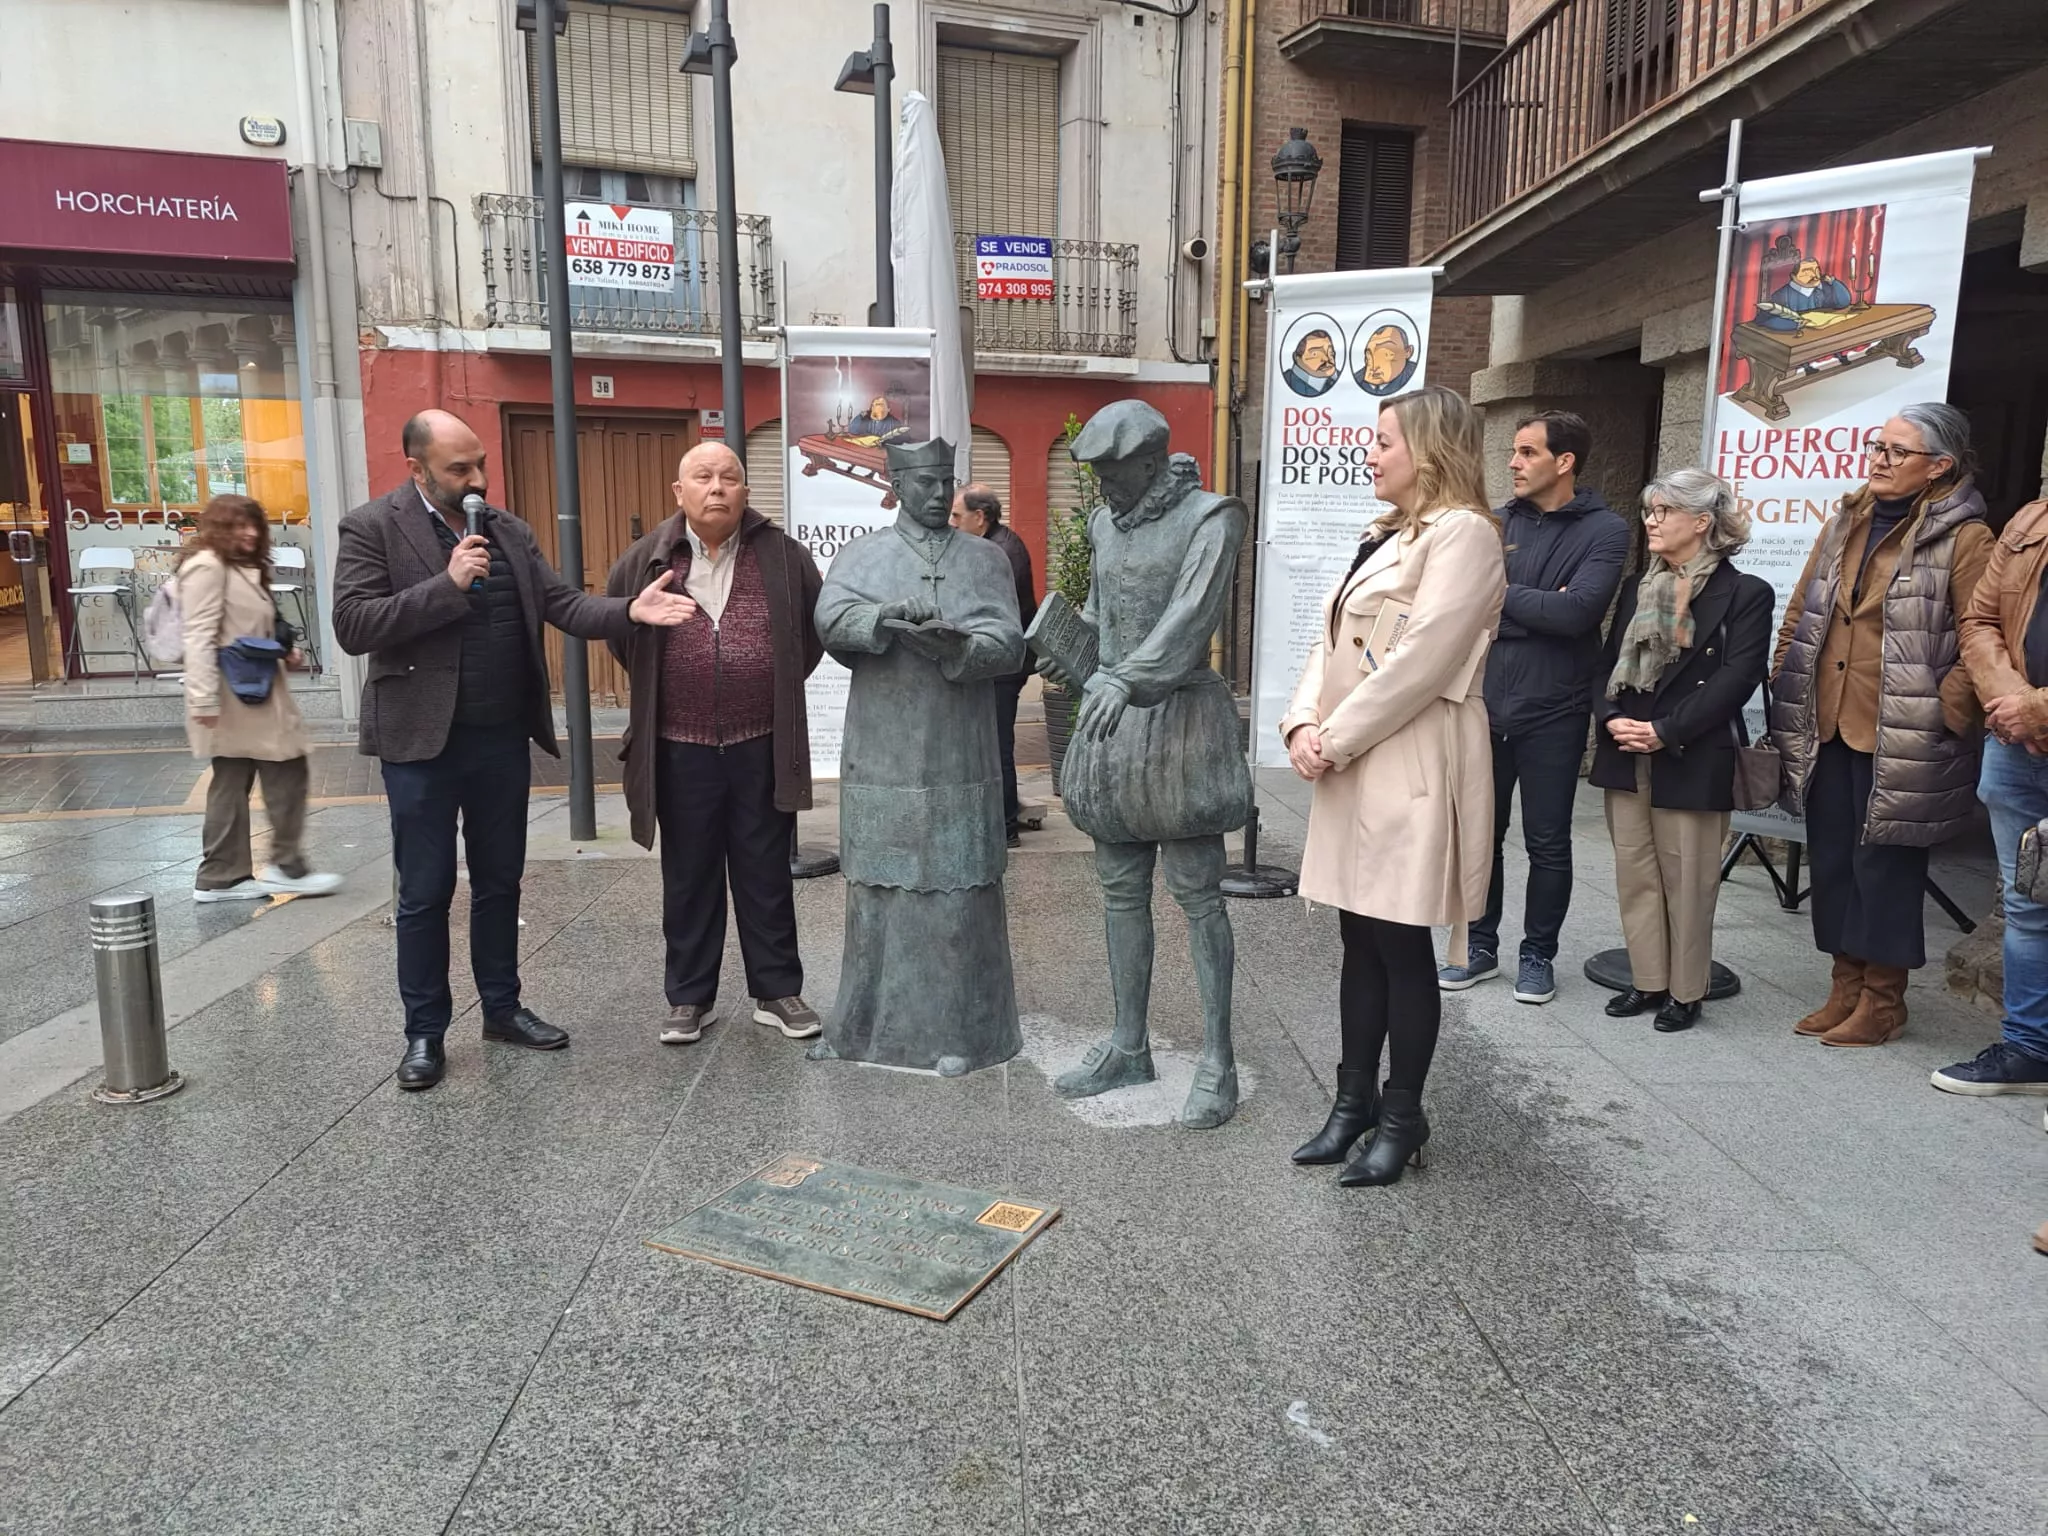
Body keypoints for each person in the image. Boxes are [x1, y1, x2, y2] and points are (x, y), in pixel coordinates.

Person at [333, 409, 696, 1091]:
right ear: (416, 469)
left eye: (480, 466)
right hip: (421, 745)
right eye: (458, 470)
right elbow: (354, 625)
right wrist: (447, 586)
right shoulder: (372, 527)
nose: (476, 481)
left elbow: (563, 605)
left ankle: (501, 1008)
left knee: (501, 883)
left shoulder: (508, 531)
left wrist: (629, 611)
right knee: (426, 891)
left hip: (500, 738)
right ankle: (424, 1033)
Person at [1281, 386, 1504, 1186]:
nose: (1370, 455)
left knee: (1402, 943)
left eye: (1383, 441)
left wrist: (1333, 738)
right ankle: (1352, 1105)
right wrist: (1302, 726)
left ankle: (1402, 1117)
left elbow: (1425, 661)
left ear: (1430, 449)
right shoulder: (1387, 535)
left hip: (1409, 756)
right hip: (1355, 758)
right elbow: (1329, 637)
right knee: (1359, 939)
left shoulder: (1466, 536)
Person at [1040, 401, 1250, 1130]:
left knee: (1198, 893)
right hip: (1114, 723)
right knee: (1120, 890)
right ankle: (1129, 1044)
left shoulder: (1211, 516)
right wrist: (1062, 639)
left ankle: (1218, 1061)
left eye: (1110, 471)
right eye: (1094, 474)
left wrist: (1127, 676)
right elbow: (1102, 615)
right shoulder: (1104, 525)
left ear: (1150, 461)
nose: (1100, 487)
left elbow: (1188, 622)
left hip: (1180, 719)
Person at [1768, 404, 1991, 1048]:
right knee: (1833, 856)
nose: (1880, 460)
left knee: (1886, 865)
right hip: (1829, 718)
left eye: (1898, 452)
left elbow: (1982, 635)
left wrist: (1946, 708)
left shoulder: (1967, 537)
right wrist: (1787, 674)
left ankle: (1884, 1000)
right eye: (1878, 447)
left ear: (1939, 467)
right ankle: (1844, 985)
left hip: (1904, 731)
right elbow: (1803, 609)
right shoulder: (1846, 519)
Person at [811, 437, 1026, 1076]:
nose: (937, 495)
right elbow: (830, 621)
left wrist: (958, 647)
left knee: (959, 891)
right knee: (875, 892)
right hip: (881, 746)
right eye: (924, 484)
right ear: (898, 487)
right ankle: (861, 1031)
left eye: (945, 483)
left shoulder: (985, 560)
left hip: (959, 745)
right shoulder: (863, 555)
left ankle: (966, 1031)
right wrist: (884, 619)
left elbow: (1010, 643)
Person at [607, 442, 826, 1049]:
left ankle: (777, 989)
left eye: (730, 476)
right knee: (688, 874)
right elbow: (624, 637)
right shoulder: (645, 560)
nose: (717, 487)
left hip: (761, 742)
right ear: (680, 492)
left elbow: (809, 639)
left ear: (745, 490)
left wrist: (758, 687)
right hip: (680, 746)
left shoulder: (784, 556)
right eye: (702, 477)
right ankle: (689, 997)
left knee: (765, 871)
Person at [1442, 410, 1629, 1004]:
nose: (1513, 462)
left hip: (1557, 708)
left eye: (1526, 452)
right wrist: (1539, 604)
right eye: (1514, 452)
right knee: (1480, 835)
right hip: (1485, 702)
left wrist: (1503, 599)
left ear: (1563, 461)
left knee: (1548, 840)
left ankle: (1537, 955)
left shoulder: (1608, 530)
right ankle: (1479, 944)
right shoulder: (1493, 523)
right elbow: (1464, 603)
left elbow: (1579, 614)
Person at [1590, 470, 1772, 1033]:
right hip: (1627, 746)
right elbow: (1605, 666)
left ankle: (1685, 992)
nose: (1650, 520)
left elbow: (1737, 678)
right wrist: (1612, 717)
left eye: (1663, 510)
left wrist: (1666, 730)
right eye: (1650, 510)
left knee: (1689, 878)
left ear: (1702, 522)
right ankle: (1646, 980)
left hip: (1688, 749)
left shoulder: (1745, 593)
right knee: (1636, 872)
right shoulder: (1638, 587)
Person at [179, 493, 342, 903]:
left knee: (234, 780)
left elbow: (245, 626)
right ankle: (280, 867)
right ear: (219, 528)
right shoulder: (208, 567)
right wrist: (202, 701)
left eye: (254, 524)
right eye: (238, 525)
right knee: (283, 767)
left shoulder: (237, 568)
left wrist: (282, 649)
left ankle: (224, 876)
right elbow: (197, 636)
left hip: (249, 690)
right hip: (232, 695)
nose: (250, 532)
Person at [1939, 487, 2048, 1094]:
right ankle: (2030, 1051)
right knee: (2028, 905)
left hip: (2027, 724)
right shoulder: (2033, 518)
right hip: (2014, 745)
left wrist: (2038, 710)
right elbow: (1979, 620)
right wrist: (2010, 701)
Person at [951, 481, 1039, 843]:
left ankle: (1005, 828)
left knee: (997, 742)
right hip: (1002, 660)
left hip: (1004, 665)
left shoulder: (1000, 553)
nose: (952, 523)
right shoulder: (995, 543)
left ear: (980, 517)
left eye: (958, 515)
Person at [1354, 323, 1417, 397]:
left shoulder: (1414, 376)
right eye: (1369, 357)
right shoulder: (1358, 379)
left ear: (1408, 352)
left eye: (1386, 354)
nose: (1374, 367)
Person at [1283, 330, 1339, 398]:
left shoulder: (1342, 377)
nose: (1326, 359)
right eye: (1315, 354)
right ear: (1297, 358)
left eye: (1330, 353)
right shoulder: (1286, 382)